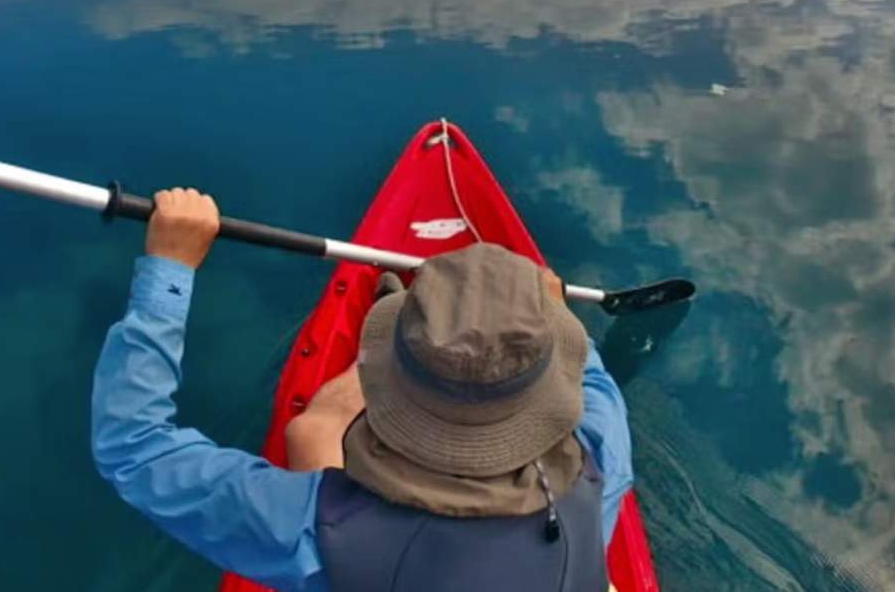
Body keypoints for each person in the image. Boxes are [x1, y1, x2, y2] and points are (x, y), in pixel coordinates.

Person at [92, 188, 634, 591]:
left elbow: (134, 449)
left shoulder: (310, 531)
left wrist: (169, 265)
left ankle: (401, 329)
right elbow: (590, 373)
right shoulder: (599, 462)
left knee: (314, 430)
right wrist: (551, 312)